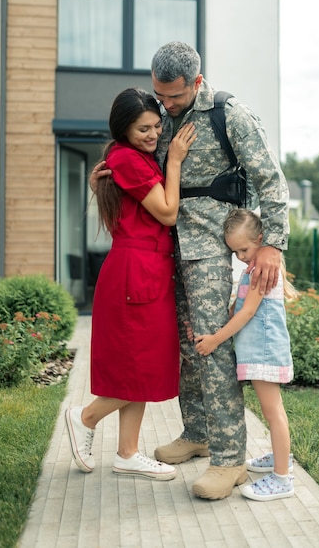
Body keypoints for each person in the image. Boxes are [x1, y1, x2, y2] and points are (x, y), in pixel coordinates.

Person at [91, 42, 290, 499]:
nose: (165, 105)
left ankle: (229, 459)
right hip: (167, 248)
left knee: (211, 346)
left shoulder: (229, 113)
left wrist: (273, 244)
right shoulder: (161, 118)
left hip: (213, 248)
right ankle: (197, 432)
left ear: (196, 82)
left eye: (174, 97)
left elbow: (270, 179)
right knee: (184, 346)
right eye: (160, 96)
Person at [65, 87, 196, 480]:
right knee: (144, 366)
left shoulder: (127, 158)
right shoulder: (129, 159)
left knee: (139, 366)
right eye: (143, 129)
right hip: (136, 270)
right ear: (123, 129)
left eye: (157, 126)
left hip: (146, 268)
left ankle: (126, 453)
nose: (154, 135)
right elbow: (168, 213)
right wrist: (174, 160)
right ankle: (84, 417)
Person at [192, 208, 296, 501]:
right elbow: (239, 308)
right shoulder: (253, 269)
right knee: (270, 411)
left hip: (265, 350)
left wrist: (214, 340)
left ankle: (282, 478)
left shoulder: (262, 271)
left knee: (273, 413)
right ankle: (280, 457)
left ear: (261, 240)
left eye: (244, 249)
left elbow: (249, 311)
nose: (240, 256)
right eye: (235, 252)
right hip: (258, 349)